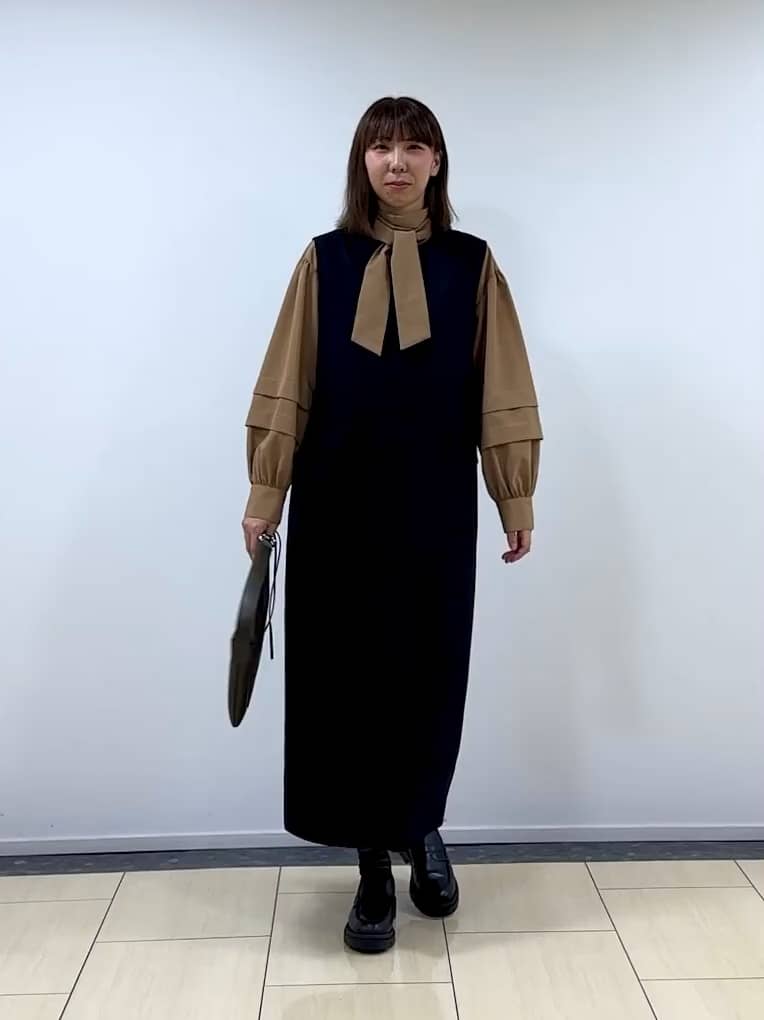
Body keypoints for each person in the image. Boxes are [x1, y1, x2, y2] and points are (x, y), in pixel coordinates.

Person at [241, 96, 542, 953]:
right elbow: (288, 380)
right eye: (382, 148)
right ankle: (372, 864)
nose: (397, 162)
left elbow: (502, 384)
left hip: (433, 508)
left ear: (437, 161)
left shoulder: (471, 264)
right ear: (362, 162)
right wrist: (266, 493)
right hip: (337, 505)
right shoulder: (325, 260)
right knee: (346, 684)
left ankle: (422, 825)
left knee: (426, 675)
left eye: (415, 146)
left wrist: (513, 495)